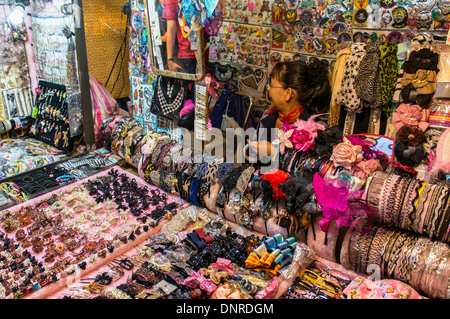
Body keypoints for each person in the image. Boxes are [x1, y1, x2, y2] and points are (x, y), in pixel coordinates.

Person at [247, 59, 331, 160]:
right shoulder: (267, 118)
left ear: (288, 93)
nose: (269, 89)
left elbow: (314, 171)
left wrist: (274, 153)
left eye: (272, 85)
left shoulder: (317, 130)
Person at [162, 0, 197, 73]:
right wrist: (170, 60)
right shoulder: (171, 1)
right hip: (188, 54)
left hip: (206, 50)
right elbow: (171, 30)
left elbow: (171, 30)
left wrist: (170, 60)